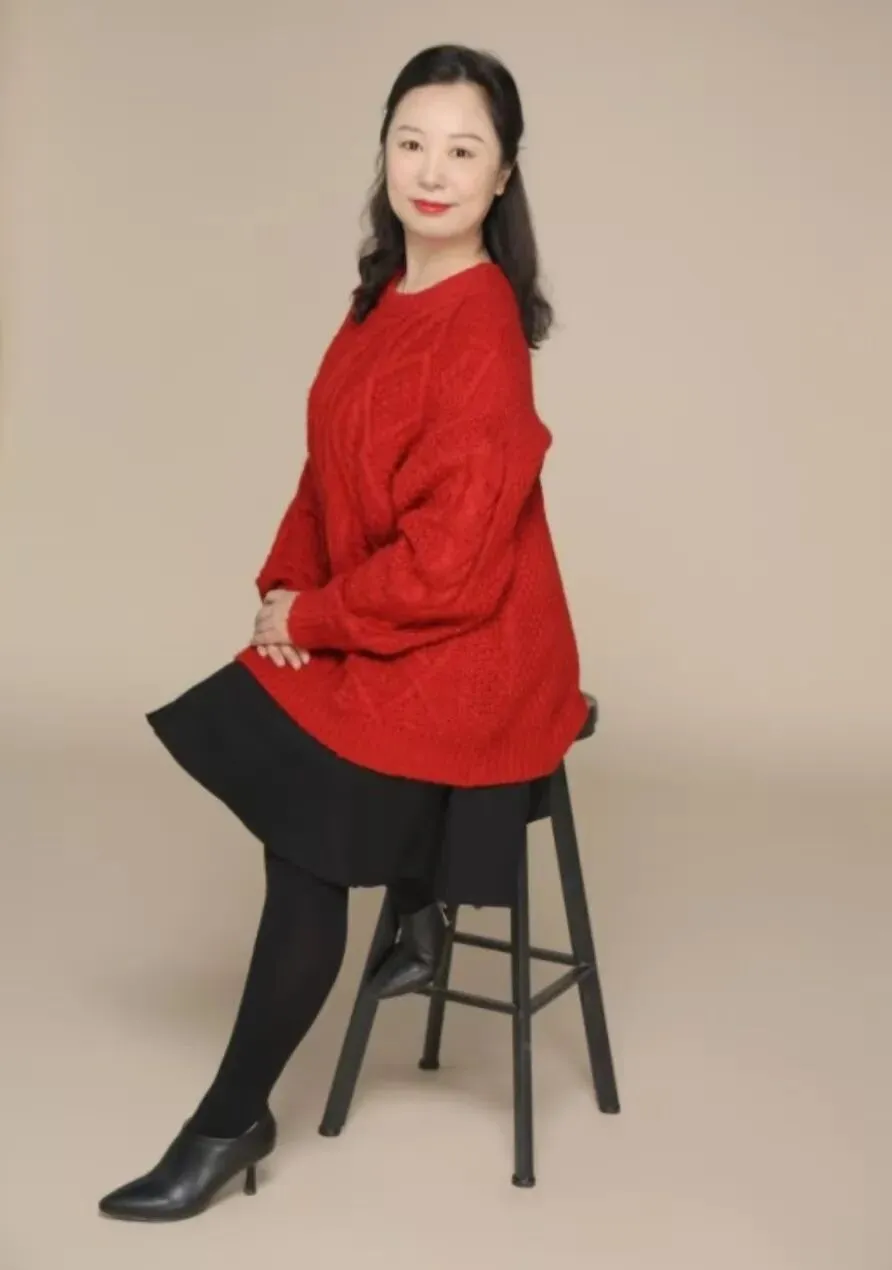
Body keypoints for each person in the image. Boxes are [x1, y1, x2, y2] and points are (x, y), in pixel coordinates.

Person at [98, 43, 589, 1223]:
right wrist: (285, 586)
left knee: (306, 836)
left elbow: (452, 571)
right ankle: (417, 893)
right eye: (411, 142)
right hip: (394, 610)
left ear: (503, 175)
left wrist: (315, 617)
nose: (432, 171)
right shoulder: (380, 299)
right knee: (263, 713)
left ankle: (229, 1120)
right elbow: (326, 476)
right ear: (383, 151)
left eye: (462, 150)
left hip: (475, 646)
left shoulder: (478, 333)